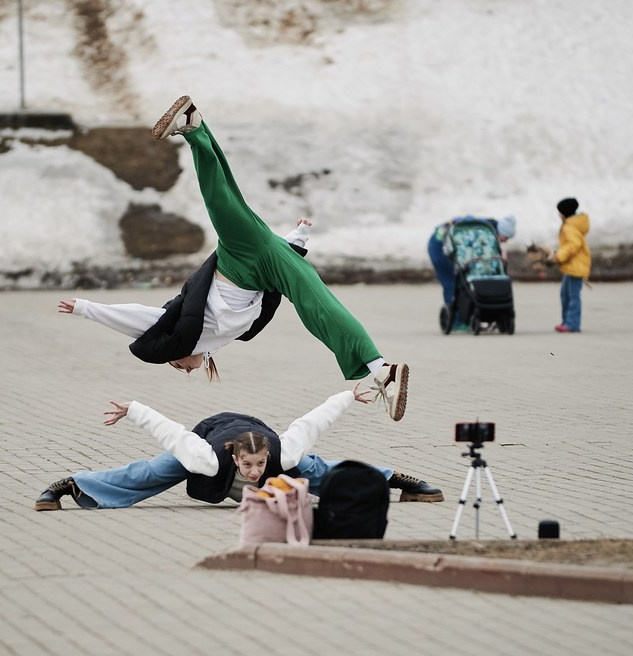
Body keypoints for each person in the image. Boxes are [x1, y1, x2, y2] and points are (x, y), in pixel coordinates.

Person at [59, 95, 410, 420]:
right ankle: (196, 124)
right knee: (315, 306)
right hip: (267, 270)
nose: (184, 367)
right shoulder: (222, 339)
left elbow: (140, 319)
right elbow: (265, 298)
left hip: (240, 259)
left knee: (221, 200)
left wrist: (86, 308)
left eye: (177, 365)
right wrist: (297, 239)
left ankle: (381, 369)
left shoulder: (182, 328)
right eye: (185, 369)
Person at [33, 384, 443, 511]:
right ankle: (72, 484)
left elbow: (312, 421)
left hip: (255, 429)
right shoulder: (206, 458)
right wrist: (134, 409)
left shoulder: (284, 452)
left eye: (259, 466)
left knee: (317, 468)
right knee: (155, 471)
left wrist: (348, 395)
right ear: (235, 459)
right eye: (248, 466)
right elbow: (172, 432)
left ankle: (395, 480)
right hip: (211, 430)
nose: (254, 472)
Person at [427, 214, 515, 330]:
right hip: (439, 246)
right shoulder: (479, 227)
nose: (505, 241)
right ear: (501, 232)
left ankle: (471, 315)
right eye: (506, 238)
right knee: (453, 283)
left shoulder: (487, 230)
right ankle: (457, 322)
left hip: (452, 244)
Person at [549, 197, 591, 333]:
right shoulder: (571, 224)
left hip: (575, 267)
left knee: (573, 296)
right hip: (572, 267)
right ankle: (567, 321)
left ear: (565, 213)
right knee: (565, 294)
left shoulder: (569, 227)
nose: (558, 215)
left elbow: (573, 245)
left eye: (560, 212)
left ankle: (572, 324)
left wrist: (559, 256)